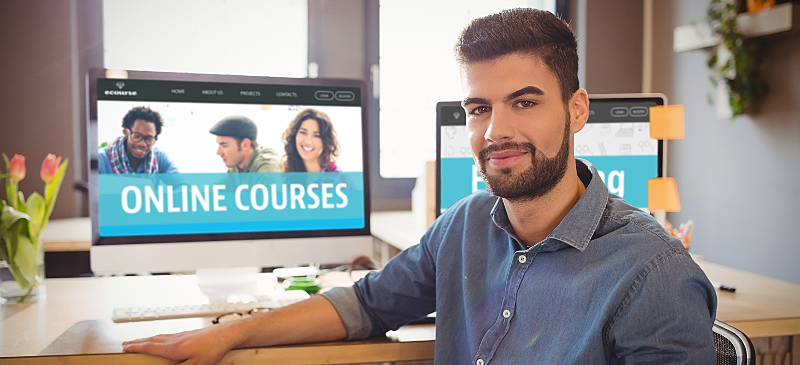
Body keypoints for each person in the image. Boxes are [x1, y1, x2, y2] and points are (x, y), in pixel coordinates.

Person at [123, 9, 717, 364]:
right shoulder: (463, 225)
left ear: (577, 109)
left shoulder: (650, 272)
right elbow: (364, 304)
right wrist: (223, 336)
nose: (496, 131)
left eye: (525, 102)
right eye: (478, 108)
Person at [98, 106, 179, 174]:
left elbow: (183, 188)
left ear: (155, 138)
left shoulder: (160, 158)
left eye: (148, 138)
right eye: (137, 136)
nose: (142, 144)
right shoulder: (101, 159)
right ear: (126, 132)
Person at [209, 115, 280, 173]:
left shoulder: (268, 163)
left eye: (224, 146)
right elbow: (218, 189)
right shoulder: (236, 166)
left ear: (245, 145)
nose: (218, 152)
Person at [281, 108, 341, 172]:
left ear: (326, 141)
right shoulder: (290, 168)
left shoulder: (337, 177)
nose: (308, 141)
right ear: (294, 135)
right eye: (303, 132)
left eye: (316, 135)